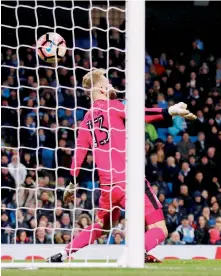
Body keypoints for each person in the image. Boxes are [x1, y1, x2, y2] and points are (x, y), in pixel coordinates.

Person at [47, 69, 196, 263]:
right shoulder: (113, 106)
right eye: (107, 83)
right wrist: (169, 111)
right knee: (160, 229)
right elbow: (139, 114)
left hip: (108, 189)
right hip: (129, 182)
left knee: (101, 226)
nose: (111, 86)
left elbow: (79, 155)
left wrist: (71, 183)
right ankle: (134, 254)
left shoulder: (85, 121)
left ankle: (63, 254)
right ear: (101, 89)